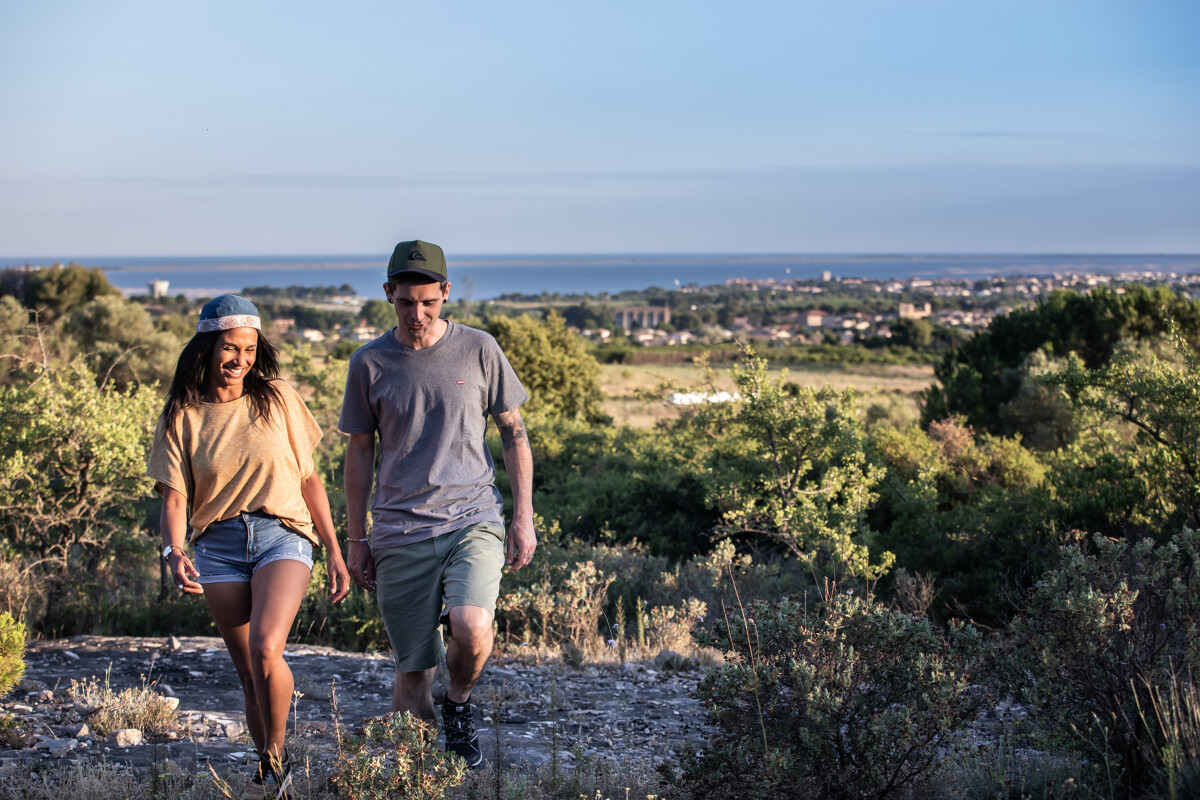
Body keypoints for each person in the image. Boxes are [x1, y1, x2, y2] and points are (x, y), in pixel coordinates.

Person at [340, 239, 536, 768]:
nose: (418, 314)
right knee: (413, 673)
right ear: (388, 295)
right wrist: (355, 540)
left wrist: (522, 517)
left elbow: (514, 435)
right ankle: (422, 772)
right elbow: (359, 454)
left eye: (428, 301)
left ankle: (460, 706)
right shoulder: (370, 363)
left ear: (446, 293)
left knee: (472, 627)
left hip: (471, 517)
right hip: (399, 531)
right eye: (406, 302)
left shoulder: (479, 349)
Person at [148, 294, 351, 800]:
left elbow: (309, 479)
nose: (241, 359)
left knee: (266, 647)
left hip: (283, 534)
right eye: (230, 348)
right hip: (217, 545)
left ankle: (277, 754)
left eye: (250, 348)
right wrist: (174, 552)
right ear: (206, 348)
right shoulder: (182, 415)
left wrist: (335, 550)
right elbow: (175, 499)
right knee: (247, 672)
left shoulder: (277, 397)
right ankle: (270, 771)